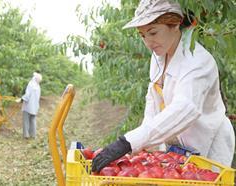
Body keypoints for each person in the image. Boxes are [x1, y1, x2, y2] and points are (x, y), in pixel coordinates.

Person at [92, 0, 235, 172]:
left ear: (175, 24)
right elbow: (153, 100)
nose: (148, 42)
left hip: (208, 143)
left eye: (153, 32)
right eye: (143, 35)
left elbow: (185, 108)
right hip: (178, 148)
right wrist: (141, 145)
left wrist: (128, 142)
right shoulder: (159, 56)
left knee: (204, 179)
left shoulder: (197, 62)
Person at [21, 72, 42, 139]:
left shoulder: (31, 84)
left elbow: (27, 95)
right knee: (33, 120)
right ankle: (33, 135)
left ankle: (26, 135)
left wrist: (22, 99)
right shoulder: (38, 86)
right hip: (35, 107)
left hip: (28, 106)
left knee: (26, 120)